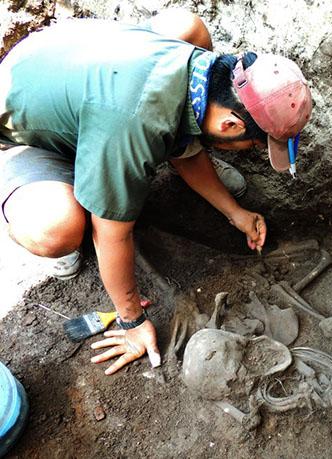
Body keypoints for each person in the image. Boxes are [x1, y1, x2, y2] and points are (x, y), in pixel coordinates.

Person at [0, 11, 312, 375]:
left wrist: (234, 212)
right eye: (251, 145)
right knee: (59, 229)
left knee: (184, 27)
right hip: (30, 128)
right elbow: (112, 234)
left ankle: (109, 168)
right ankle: (46, 191)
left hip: (82, 80)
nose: (251, 151)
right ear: (230, 124)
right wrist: (131, 320)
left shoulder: (198, 60)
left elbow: (178, 129)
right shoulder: (133, 121)